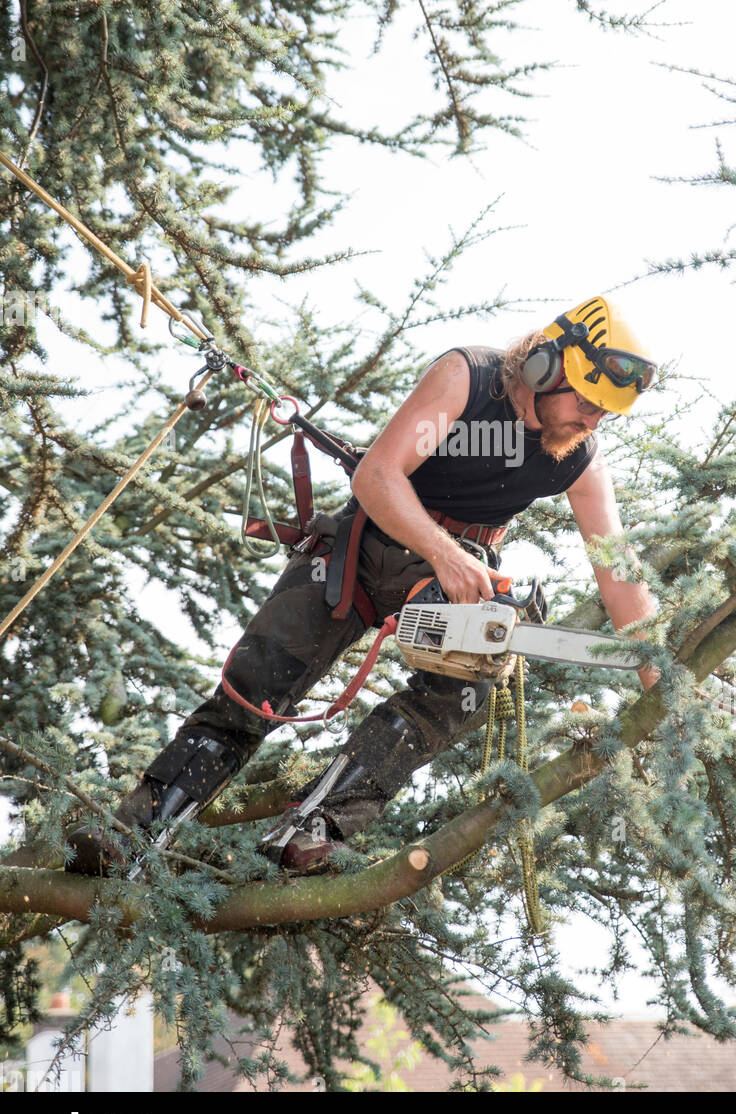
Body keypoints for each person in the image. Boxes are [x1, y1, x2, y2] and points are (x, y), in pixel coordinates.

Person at [67, 294, 659, 877]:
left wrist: (661, 675)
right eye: (586, 400)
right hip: (363, 549)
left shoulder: (580, 457)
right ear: (544, 369)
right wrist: (444, 553)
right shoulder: (468, 379)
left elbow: (619, 572)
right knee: (255, 691)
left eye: (605, 411)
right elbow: (377, 475)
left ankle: (312, 833)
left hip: (449, 580)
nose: (592, 417)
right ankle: (132, 833)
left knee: (468, 679)